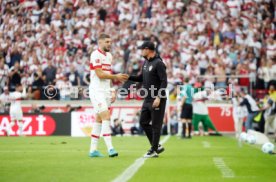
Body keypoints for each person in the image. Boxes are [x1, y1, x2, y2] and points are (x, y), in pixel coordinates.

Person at [89, 34, 128, 158]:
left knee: (99, 119)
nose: (109, 44)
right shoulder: (95, 55)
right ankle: (110, 148)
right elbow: (100, 74)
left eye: (110, 42)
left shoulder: (109, 56)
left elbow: (108, 75)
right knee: (106, 116)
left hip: (106, 90)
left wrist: (112, 89)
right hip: (96, 91)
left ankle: (93, 150)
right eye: (107, 41)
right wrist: (116, 77)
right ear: (100, 42)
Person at [127, 41, 167, 158]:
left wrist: (159, 97)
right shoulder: (146, 62)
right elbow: (141, 78)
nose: (141, 51)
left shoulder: (159, 63)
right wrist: (128, 77)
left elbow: (164, 81)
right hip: (147, 98)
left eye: (142, 49)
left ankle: (154, 150)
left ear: (148, 49)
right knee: (143, 122)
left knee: (156, 125)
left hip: (157, 98)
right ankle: (156, 145)